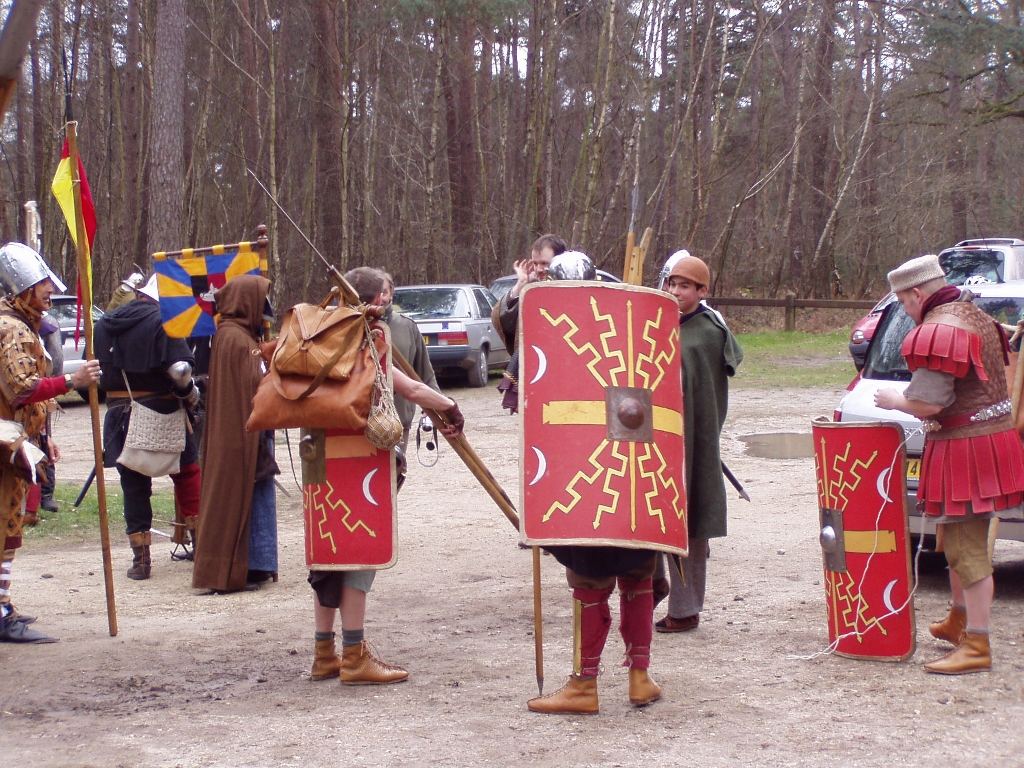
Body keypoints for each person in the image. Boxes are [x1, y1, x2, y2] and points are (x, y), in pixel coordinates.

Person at [309, 267, 464, 685]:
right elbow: (411, 389)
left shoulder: (320, 335)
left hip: (320, 458)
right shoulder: (362, 339)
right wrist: (450, 406)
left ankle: (324, 653)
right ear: (375, 300)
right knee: (361, 552)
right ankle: (353, 656)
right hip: (363, 460)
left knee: (329, 555)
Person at [524, 251, 662, 716]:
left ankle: (584, 685)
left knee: (590, 579)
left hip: (595, 476)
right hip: (633, 474)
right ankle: (639, 678)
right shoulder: (626, 329)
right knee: (638, 573)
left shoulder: (561, 330)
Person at [874, 254, 1024, 674]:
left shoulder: (940, 328)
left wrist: (895, 400)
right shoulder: (975, 314)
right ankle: (959, 620)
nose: (905, 310)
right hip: (979, 443)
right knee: (953, 540)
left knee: (968, 550)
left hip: (968, 449)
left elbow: (928, 403)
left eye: (903, 302)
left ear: (916, 293)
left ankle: (977, 645)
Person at [0, 242, 100, 643]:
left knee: (10, 527)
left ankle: (2, 604)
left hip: (15, 441)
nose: (50, 291)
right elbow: (21, 388)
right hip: (3, 445)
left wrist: (43, 436)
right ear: (23, 287)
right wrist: (72, 380)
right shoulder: (12, 328)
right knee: (4, 526)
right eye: (42, 284)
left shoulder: (21, 324)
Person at [654, 253, 743, 633]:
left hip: (693, 442)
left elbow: (702, 390)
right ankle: (652, 584)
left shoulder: (707, 332)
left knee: (688, 522)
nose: (676, 291)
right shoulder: (657, 322)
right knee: (650, 513)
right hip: (656, 437)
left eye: (685, 286)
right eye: (672, 284)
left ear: (702, 290)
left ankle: (685, 609)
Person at [94, 274, 201, 580]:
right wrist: (190, 393)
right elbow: (179, 369)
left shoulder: (103, 323)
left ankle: (141, 561)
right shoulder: (162, 321)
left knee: (134, 485)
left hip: (119, 413)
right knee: (187, 474)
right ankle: (202, 546)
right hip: (162, 409)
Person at [192, 275, 279, 593]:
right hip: (241, 434)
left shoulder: (236, 335)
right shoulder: (236, 339)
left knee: (257, 494)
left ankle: (258, 564)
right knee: (242, 496)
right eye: (259, 301)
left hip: (247, 431)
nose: (264, 309)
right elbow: (254, 386)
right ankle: (242, 568)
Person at [494, 234, 567, 413]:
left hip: (564, 375)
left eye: (544, 263)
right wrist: (521, 284)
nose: (539, 269)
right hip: (536, 372)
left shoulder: (574, 291)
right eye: (535, 263)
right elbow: (503, 321)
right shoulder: (530, 294)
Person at [375, 270, 439, 454]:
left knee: (396, 470)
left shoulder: (407, 327)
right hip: (358, 423)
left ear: (391, 294)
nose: (380, 298)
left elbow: (425, 373)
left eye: (384, 292)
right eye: (375, 293)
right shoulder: (352, 327)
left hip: (398, 421)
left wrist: (436, 408)